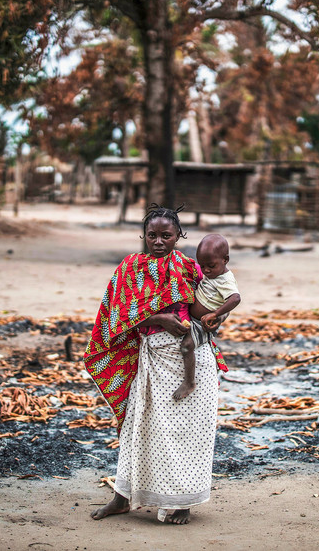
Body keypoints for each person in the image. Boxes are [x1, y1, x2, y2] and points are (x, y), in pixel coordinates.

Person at [84, 204, 228, 525]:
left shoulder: (190, 268)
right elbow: (116, 318)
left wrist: (212, 319)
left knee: (187, 432)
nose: (159, 241)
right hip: (152, 359)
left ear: (179, 236)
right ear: (143, 236)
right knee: (139, 427)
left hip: (191, 360)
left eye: (166, 235)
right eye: (152, 235)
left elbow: (209, 305)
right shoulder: (130, 268)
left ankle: (182, 501)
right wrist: (160, 317)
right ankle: (122, 497)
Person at [174, 233, 241, 400]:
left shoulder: (225, 280)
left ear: (225, 260)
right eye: (202, 266)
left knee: (186, 346)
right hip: (193, 318)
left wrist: (216, 314)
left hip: (201, 324)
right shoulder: (212, 274)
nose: (206, 270)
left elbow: (235, 298)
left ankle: (189, 382)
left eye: (211, 266)